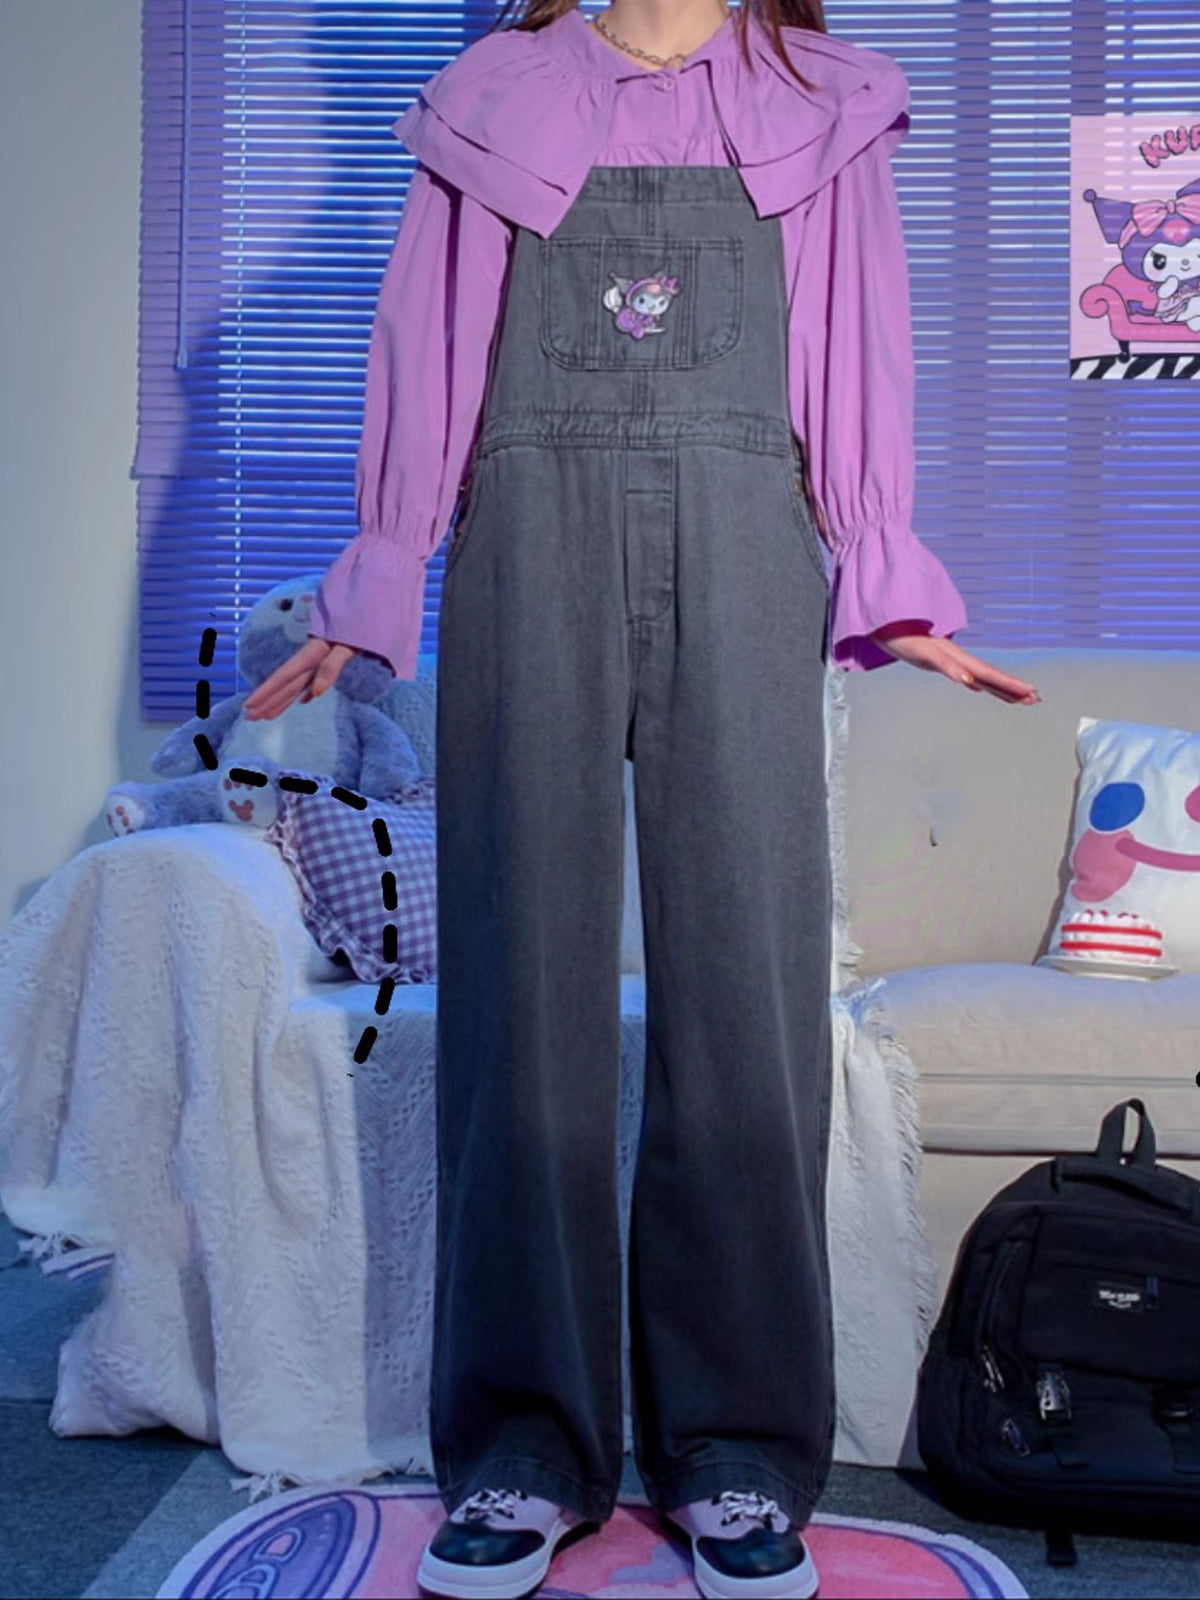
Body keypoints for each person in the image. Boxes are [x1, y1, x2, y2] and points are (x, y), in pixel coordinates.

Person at [245, 2, 1041, 1595]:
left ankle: (734, 1452)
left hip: (749, 539)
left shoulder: (819, 101)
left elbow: (854, 349)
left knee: (744, 1002)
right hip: (526, 531)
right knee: (518, 997)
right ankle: (524, 1448)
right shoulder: (495, 95)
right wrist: (381, 570)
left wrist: (884, 568)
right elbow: (429, 347)